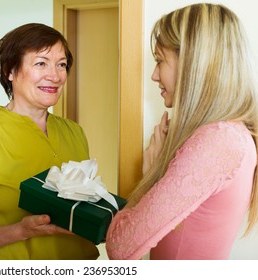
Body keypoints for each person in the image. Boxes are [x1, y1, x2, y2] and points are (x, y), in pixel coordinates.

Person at [106, 3, 258, 260]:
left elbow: (120, 247)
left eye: (160, 61)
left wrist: (152, 177)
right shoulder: (228, 135)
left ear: (192, 64)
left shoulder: (218, 141)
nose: (154, 75)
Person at [0, 23, 99, 260]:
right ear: (10, 71)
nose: (55, 76)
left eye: (61, 64)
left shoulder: (75, 133)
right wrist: (19, 231)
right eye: (41, 63)